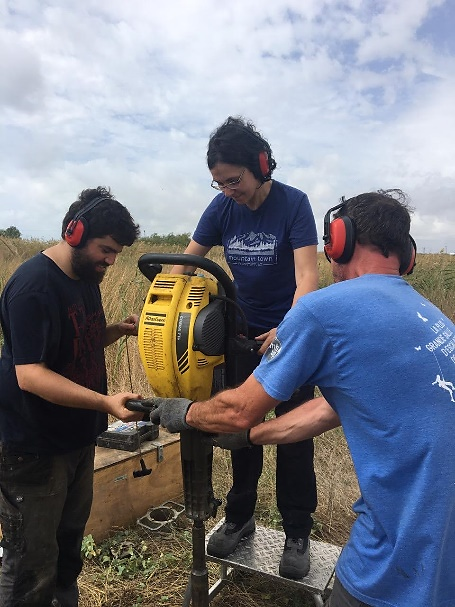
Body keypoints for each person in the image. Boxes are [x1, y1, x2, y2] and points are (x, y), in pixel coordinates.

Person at [148, 189, 455, 607]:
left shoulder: (321, 310)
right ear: (408, 253)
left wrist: (187, 413)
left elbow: (238, 410)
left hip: (399, 551)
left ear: (339, 243)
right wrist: (255, 437)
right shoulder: (430, 314)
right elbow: (331, 408)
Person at [172, 116, 319, 578]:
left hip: (290, 338)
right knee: (240, 432)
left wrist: (288, 330)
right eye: (218, 182)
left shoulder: (294, 204)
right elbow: (185, 264)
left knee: (295, 435)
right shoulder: (221, 208)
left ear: (262, 165)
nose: (228, 190)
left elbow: (307, 279)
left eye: (234, 180)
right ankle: (240, 517)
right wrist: (163, 309)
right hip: (239, 336)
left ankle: (297, 530)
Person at [0, 187, 145, 607]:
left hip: (78, 441)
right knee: (30, 562)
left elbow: (79, 339)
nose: (111, 261)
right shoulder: (32, 287)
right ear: (74, 232)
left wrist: (119, 329)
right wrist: (105, 402)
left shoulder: (85, 279)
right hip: (34, 449)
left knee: (67, 552)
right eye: (105, 249)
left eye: (117, 252)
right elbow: (30, 375)